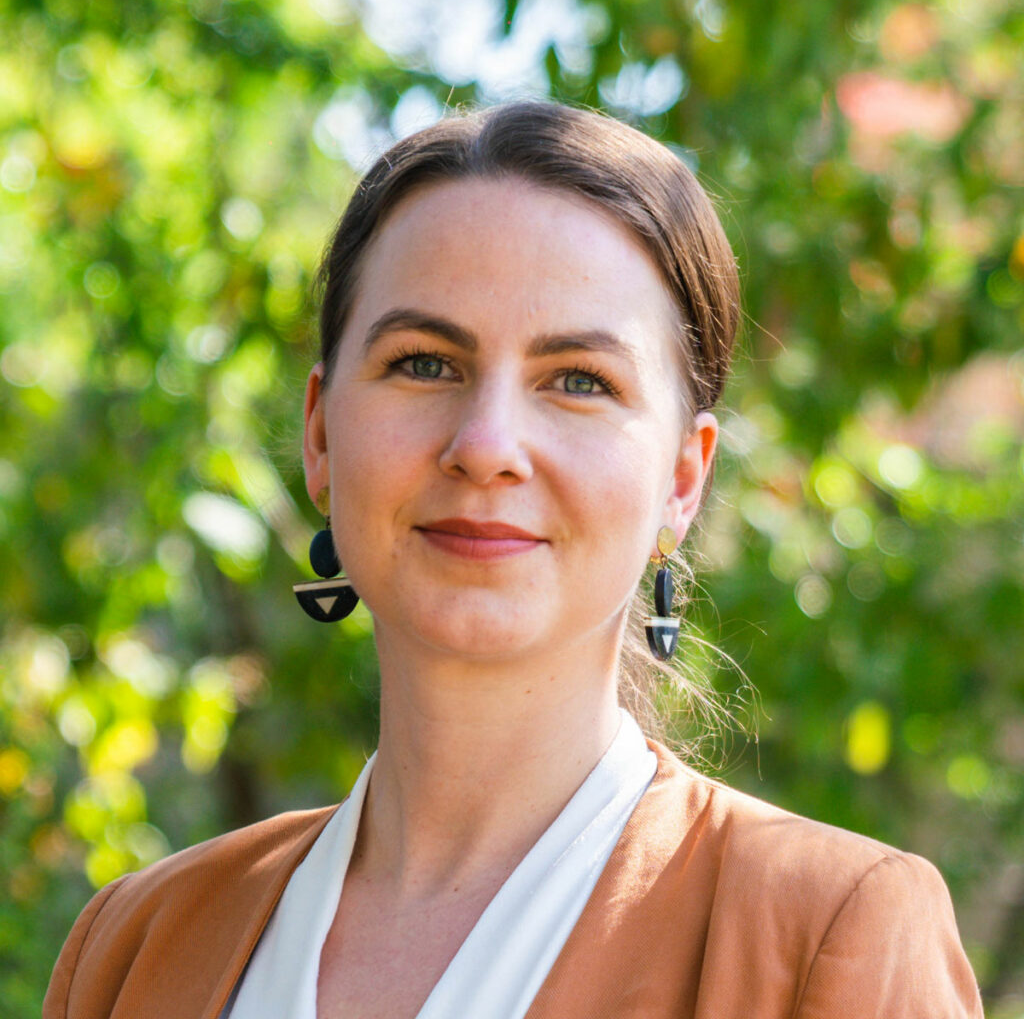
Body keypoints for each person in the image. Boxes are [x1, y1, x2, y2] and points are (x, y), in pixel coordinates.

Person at [44, 101, 982, 1019]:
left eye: (579, 381)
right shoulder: (132, 949)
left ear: (683, 480)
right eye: (423, 362)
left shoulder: (828, 937)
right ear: (321, 433)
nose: (486, 443)